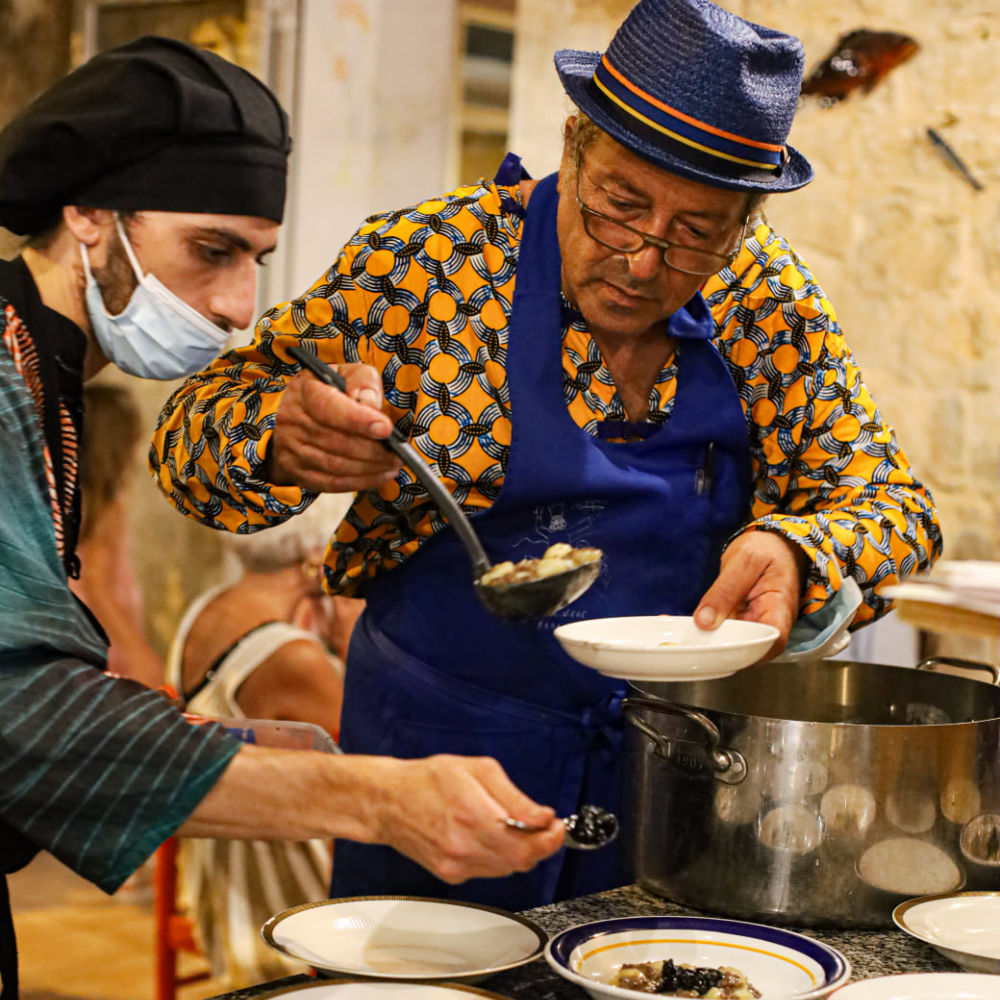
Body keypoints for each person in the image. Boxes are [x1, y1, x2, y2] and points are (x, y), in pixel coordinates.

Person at [150, 0, 942, 910]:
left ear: (746, 222)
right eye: (619, 206)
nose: (644, 261)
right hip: (439, 759)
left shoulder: (768, 302)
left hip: (677, 770)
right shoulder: (424, 268)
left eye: (697, 233)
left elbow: (893, 506)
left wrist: (804, 549)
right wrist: (278, 438)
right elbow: (190, 438)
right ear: (574, 146)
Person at [0, 36, 563, 1000]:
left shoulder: (51, 382)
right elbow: (22, 718)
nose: (236, 310)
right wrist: (373, 798)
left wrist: (246, 756)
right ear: (88, 213)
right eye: (209, 252)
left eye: (256, 258)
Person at [166, 493, 360, 987]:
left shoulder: (205, 609)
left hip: (218, 869)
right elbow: (377, 737)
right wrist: (349, 640)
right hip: (282, 893)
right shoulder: (289, 657)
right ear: (317, 553)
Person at [69, 383, 164, 686]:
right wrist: (144, 662)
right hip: (105, 656)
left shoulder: (62, 501)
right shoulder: (104, 512)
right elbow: (98, 590)